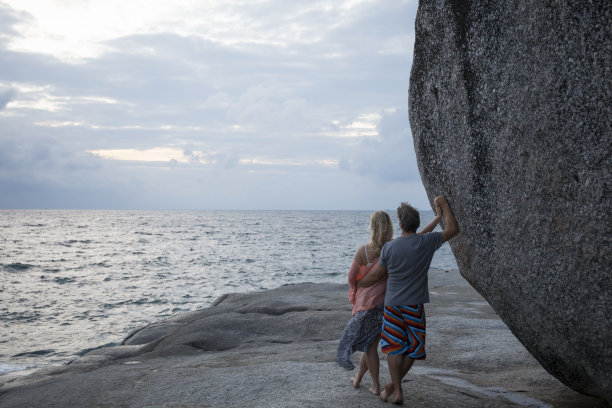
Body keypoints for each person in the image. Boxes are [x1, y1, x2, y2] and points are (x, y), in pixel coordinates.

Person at [357, 195, 458, 404]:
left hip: (393, 305)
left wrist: (358, 284)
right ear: (416, 223)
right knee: (413, 348)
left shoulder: (389, 248)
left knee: (394, 347)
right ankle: (394, 388)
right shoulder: (426, 242)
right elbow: (452, 229)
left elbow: (376, 275)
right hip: (414, 305)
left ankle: (396, 390)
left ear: (400, 224)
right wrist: (444, 207)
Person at [336, 209, 443, 395]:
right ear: (390, 226)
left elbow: (351, 277)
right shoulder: (393, 245)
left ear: (372, 227)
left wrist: (357, 288)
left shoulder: (363, 251)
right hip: (386, 303)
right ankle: (359, 378)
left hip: (367, 304)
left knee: (369, 347)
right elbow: (421, 235)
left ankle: (376, 385)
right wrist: (437, 219)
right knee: (372, 343)